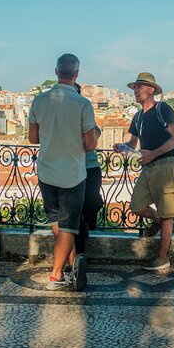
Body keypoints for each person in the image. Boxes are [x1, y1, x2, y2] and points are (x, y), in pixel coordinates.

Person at [28, 54, 97, 291]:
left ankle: (72, 258)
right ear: (76, 74)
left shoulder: (39, 100)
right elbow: (90, 145)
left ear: (56, 71)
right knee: (68, 226)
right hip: (72, 174)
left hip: (46, 171)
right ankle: (56, 276)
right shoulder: (82, 104)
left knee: (56, 221)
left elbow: (33, 138)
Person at [113, 72, 174, 271]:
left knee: (167, 212)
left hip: (167, 164)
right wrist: (123, 147)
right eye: (134, 87)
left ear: (151, 90)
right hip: (149, 166)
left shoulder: (163, 109)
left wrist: (153, 154)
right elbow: (133, 144)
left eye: (139, 87)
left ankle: (162, 257)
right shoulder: (138, 117)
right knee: (136, 206)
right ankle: (158, 221)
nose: (135, 90)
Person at [73, 83, 104, 260]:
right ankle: (80, 252)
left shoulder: (85, 108)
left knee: (91, 202)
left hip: (90, 166)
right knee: (76, 211)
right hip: (74, 167)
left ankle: (82, 243)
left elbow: (96, 132)